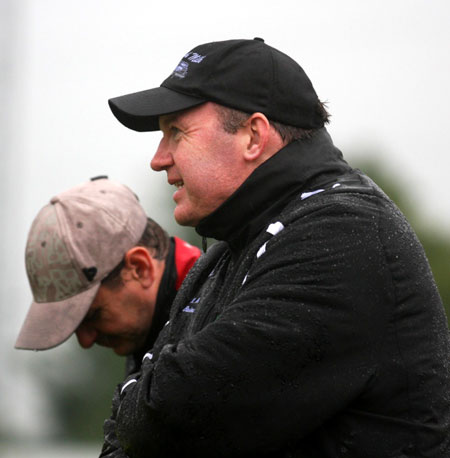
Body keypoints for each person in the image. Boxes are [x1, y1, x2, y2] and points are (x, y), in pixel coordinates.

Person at [104, 38, 450, 457]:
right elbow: (127, 434)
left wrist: (138, 396)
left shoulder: (343, 231)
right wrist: (140, 398)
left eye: (176, 132)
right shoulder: (229, 250)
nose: (158, 159)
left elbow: (168, 415)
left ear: (253, 136)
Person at [15, 176, 201, 375]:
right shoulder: (172, 330)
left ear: (140, 268)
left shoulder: (217, 322)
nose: (86, 341)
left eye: (93, 315)